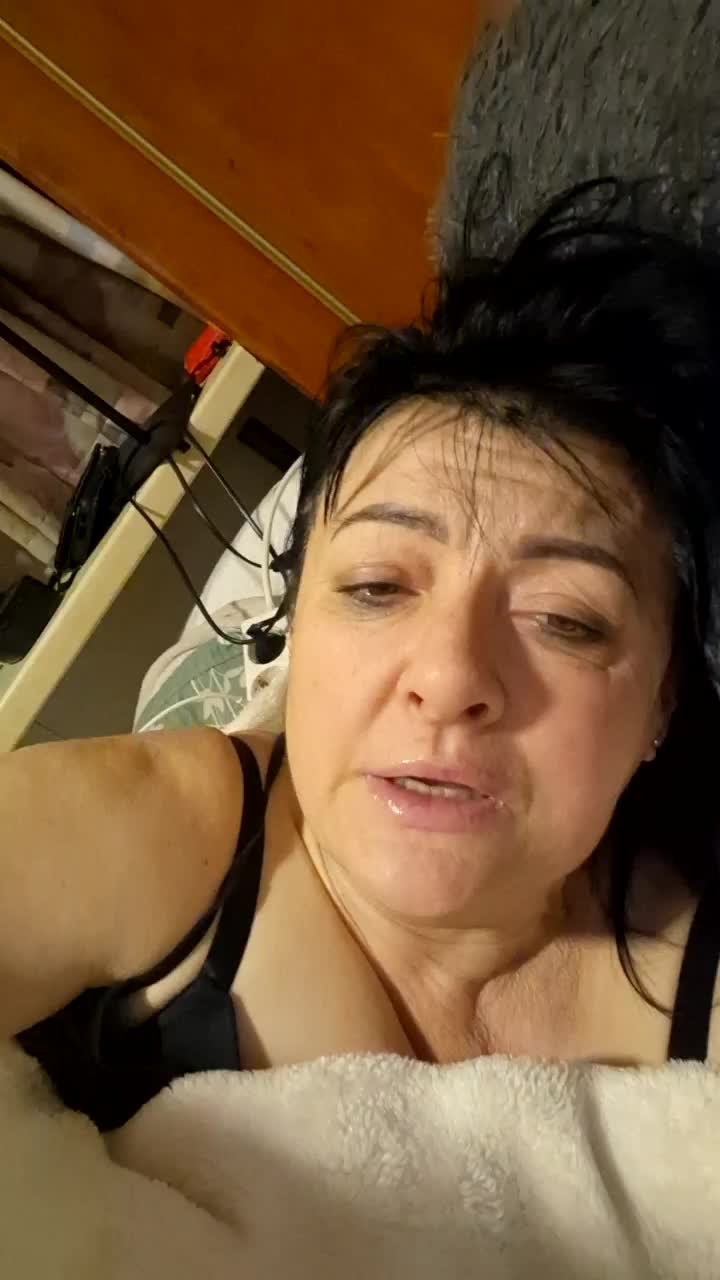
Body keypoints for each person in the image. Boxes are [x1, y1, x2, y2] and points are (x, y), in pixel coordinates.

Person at [6, 182, 720, 1132]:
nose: (449, 679)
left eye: (564, 619)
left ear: (665, 698)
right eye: (379, 587)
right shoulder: (168, 834)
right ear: (298, 617)